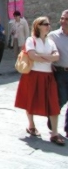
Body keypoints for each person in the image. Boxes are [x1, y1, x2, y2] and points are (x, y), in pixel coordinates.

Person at [14, 16, 65, 146]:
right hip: (33, 75)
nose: (48, 26)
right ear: (38, 26)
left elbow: (57, 56)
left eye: (48, 24)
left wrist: (40, 57)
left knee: (53, 103)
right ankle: (31, 125)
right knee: (30, 100)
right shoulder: (31, 40)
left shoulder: (50, 41)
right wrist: (49, 58)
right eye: (45, 24)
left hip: (48, 76)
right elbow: (31, 56)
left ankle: (54, 133)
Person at [48, 10, 68, 138]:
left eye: (66, 19)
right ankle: (52, 121)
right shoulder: (53, 36)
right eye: (62, 18)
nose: (63, 21)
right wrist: (49, 64)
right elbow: (46, 51)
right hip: (60, 72)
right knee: (61, 99)